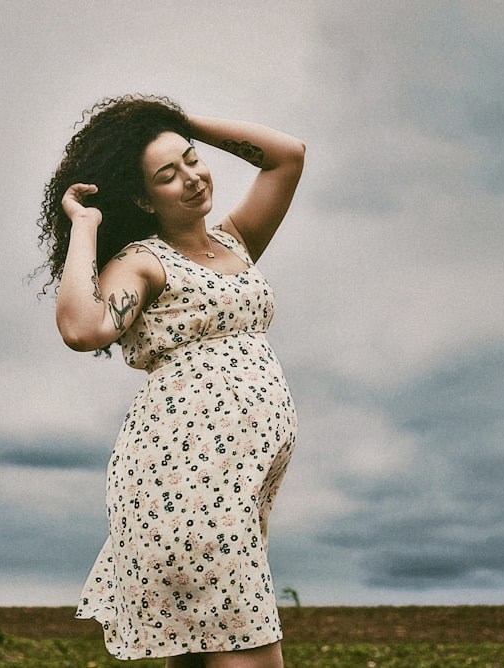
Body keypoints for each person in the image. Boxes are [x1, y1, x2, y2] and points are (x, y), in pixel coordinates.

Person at [35, 94, 305, 667]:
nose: (192, 177)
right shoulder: (144, 262)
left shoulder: (234, 243)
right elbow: (83, 328)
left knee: (200, 654)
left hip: (235, 489)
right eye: (167, 174)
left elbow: (287, 156)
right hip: (185, 486)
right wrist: (84, 224)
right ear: (141, 198)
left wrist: (176, 125)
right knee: (248, 651)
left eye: (191, 160)